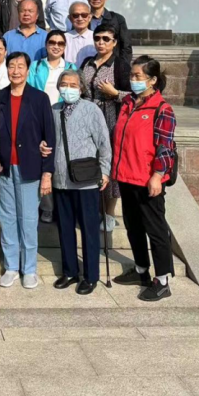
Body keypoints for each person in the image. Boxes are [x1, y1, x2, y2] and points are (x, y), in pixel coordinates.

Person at [112, 56, 177, 302]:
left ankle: (162, 280)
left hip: (148, 179)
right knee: (133, 226)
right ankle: (141, 270)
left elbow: (165, 147)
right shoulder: (129, 102)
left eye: (138, 76)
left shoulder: (162, 109)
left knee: (156, 229)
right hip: (126, 176)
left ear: (152, 80)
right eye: (132, 75)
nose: (133, 79)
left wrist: (158, 176)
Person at [0, 53, 55, 290]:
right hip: (4, 168)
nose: (15, 71)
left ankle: (29, 269)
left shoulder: (39, 98)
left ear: (28, 71)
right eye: (11, 66)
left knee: (28, 220)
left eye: (20, 66)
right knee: (7, 219)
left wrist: (47, 173)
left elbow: (49, 137)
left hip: (30, 168)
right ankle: (11, 267)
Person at [50, 69, 111, 296]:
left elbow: (104, 142)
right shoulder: (54, 110)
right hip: (61, 179)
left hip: (86, 180)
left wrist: (105, 170)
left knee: (88, 229)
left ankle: (91, 275)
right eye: (64, 84)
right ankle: (70, 271)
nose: (68, 88)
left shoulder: (91, 109)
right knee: (65, 228)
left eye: (73, 85)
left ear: (82, 88)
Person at [80, 22, 132, 233]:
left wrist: (115, 93)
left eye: (106, 39)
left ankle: (109, 213)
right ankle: (93, 209)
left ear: (114, 42)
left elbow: (135, 96)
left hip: (110, 117)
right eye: (97, 38)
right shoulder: (87, 62)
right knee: (88, 161)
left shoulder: (120, 66)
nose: (101, 43)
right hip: (87, 116)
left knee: (108, 163)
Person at [27, 29, 77, 224]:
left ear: (64, 47)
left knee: (62, 162)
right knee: (44, 161)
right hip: (40, 118)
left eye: (60, 43)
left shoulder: (71, 67)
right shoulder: (36, 66)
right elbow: (30, 91)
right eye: (52, 42)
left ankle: (65, 206)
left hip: (64, 118)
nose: (56, 46)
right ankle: (47, 207)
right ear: (46, 45)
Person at [87, 0, 133, 64]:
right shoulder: (81, 19)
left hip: (112, 65)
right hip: (88, 64)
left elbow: (126, 47)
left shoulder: (117, 19)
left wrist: (122, 66)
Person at [65, 2, 96, 66]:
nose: (80, 19)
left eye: (84, 15)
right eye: (75, 15)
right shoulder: (63, 38)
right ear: (70, 18)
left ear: (90, 17)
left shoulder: (96, 38)